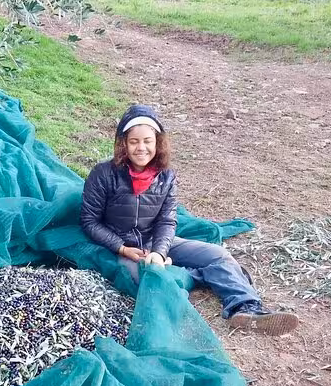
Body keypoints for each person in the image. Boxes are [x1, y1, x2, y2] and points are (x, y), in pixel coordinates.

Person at [80, 104, 298, 336]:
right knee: (151, 280)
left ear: (157, 143)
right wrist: (123, 249)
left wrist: (160, 252)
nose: (141, 148)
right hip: (121, 247)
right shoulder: (103, 173)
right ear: (124, 143)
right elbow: (89, 221)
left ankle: (246, 309)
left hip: (156, 242)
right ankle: (202, 275)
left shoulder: (166, 176)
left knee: (219, 255)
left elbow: (166, 221)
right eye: (134, 141)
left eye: (147, 141)